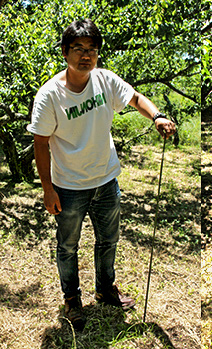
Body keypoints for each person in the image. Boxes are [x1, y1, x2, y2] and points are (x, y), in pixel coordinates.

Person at [27, 19, 176, 330]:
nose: (86, 55)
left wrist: (157, 116)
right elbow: (40, 143)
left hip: (106, 179)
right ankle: (72, 300)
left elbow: (135, 98)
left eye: (92, 50)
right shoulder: (50, 95)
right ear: (65, 51)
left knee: (108, 240)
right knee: (68, 245)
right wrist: (47, 189)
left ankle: (105, 289)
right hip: (68, 186)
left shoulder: (105, 80)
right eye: (79, 49)